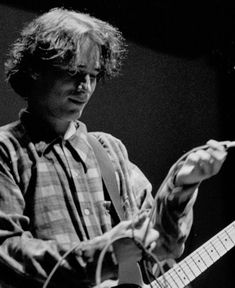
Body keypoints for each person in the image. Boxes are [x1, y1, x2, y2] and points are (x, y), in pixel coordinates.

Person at [0, 7, 227, 288]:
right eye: (74, 72)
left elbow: (161, 246)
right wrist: (105, 255)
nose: (85, 87)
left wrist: (183, 184)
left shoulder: (109, 150)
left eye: (93, 75)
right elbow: (7, 251)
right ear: (35, 69)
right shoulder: (7, 150)